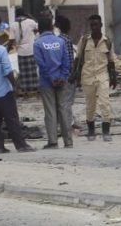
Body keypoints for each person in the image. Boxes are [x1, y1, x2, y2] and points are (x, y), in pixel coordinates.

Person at [0, 27, 34, 154]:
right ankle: (21, 145)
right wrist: (14, 86)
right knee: (11, 118)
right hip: (2, 89)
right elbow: (7, 70)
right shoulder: (1, 50)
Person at [71, 15, 118, 142]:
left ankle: (106, 131)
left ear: (101, 25)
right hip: (87, 76)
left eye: (96, 25)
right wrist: (75, 75)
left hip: (103, 76)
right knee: (90, 105)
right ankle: (91, 131)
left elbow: (111, 60)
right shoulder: (85, 40)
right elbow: (78, 58)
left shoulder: (107, 41)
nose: (94, 28)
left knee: (105, 103)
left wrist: (114, 76)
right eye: (92, 25)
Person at [33, 15, 73, 149]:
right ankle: (68, 141)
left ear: (39, 28)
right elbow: (66, 61)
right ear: (51, 27)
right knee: (64, 110)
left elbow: (41, 64)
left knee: (50, 111)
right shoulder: (60, 41)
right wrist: (62, 76)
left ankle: (53, 142)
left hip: (47, 82)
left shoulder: (38, 43)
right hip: (62, 81)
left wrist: (51, 79)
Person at [54, 15, 78, 129]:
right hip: (68, 74)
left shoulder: (57, 39)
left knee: (62, 100)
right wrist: (73, 73)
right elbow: (69, 58)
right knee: (68, 100)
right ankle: (67, 123)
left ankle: (66, 122)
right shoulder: (67, 40)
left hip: (59, 73)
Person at [9, 8, 39, 94]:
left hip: (21, 51)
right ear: (24, 14)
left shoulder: (13, 25)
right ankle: (34, 88)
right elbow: (38, 28)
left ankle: (26, 90)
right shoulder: (31, 22)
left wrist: (7, 49)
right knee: (32, 70)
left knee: (23, 71)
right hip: (31, 49)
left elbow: (11, 39)